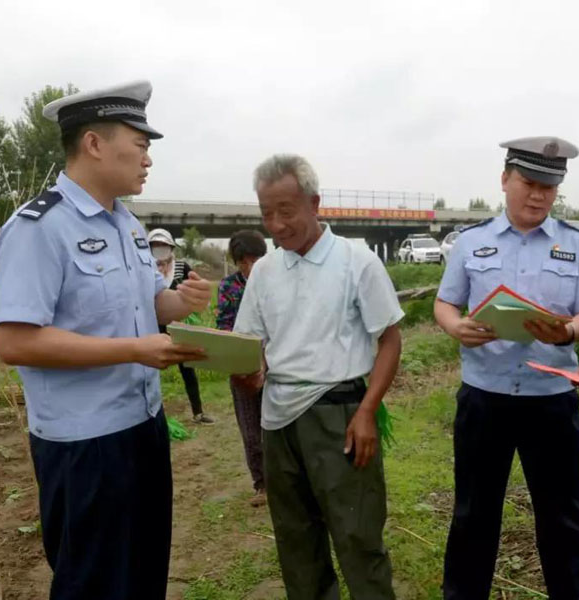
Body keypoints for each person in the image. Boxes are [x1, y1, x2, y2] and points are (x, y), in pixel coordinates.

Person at [0, 81, 212, 600]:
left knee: (142, 574)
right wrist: (137, 350)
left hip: (143, 428)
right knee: (93, 582)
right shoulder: (38, 228)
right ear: (94, 144)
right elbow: (15, 342)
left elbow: (149, 304)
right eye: (140, 146)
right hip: (85, 445)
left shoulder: (129, 225)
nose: (148, 161)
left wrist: (181, 302)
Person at [434, 137, 579, 600]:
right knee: (474, 513)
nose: (538, 196)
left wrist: (568, 332)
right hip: (484, 396)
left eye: (549, 188)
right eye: (529, 184)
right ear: (505, 180)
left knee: (562, 515)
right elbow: (445, 302)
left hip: (550, 398)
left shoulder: (576, 244)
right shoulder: (472, 242)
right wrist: (457, 328)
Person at [233, 154, 403, 600]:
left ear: (314, 203)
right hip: (278, 423)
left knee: (357, 536)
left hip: (340, 416)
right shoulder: (265, 272)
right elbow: (253, 344)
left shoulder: (356, 261)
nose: (276, 225)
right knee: (296, 542)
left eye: (285, 211)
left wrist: (367, 411)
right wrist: (253, 369)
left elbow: (389, 340)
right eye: (267, 214)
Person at [216, 229, 268, 505]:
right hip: (242, 364)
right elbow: (223, 325)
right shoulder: (229, 287)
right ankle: (262, 485)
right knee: (250, 429)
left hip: (275, 363)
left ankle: (284, 480)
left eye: (255, 260)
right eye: (244, 262)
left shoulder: (276, 281)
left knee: (276, 424)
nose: (250, 267)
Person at [149, 227, 214, 424]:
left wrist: (196, 296)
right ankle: (152, 414)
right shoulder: (145, 267)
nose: (160, 250)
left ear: (171, 248)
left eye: (163, 246)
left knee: (187, 368)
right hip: (151, 326)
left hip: (178, 325)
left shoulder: (181, 267)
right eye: (155, 247)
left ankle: (198, 412)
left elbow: (192, 287)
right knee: (149, 369)